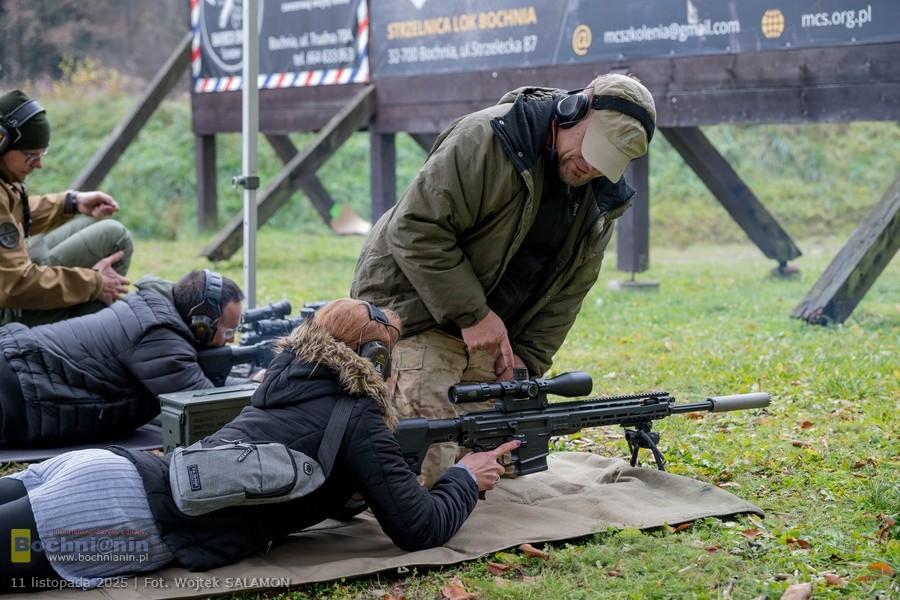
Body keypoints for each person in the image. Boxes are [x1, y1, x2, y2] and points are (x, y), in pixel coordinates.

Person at [0, 298, 519, 590]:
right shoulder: (358, 414)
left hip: (101, 473)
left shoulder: (282, 383)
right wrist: (465, 478)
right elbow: (420, 527)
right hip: (114, 519)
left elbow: (299, 466)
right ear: (374, 365)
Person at [351, 73, 657, 485]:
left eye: (606, 162)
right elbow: (416, 228)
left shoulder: (600, 201)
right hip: (416, 311)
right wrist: (473, 314)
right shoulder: (486, 138)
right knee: (428, 470)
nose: (590, 167)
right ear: (573, 110)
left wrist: (525, 361)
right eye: (590, 147)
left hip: (492, 333)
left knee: (500, 465)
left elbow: (566, 296)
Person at [0, 269, 262, 448]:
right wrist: (255, 385)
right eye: (227, 331)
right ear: (200, 325)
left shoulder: (150, 311)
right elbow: (209, 412)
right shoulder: (158, 337)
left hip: (18, 364)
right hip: (19, 390)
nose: (230, 340)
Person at [0, 89, 133, 327]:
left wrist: (71, 203)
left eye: (42, 154)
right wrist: (95, 283)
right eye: (31, 156)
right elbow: (15, 284)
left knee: (91, 224)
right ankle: (80, 351)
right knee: (114, 237)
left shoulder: (4, 178)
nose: (38, 164)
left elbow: (15, 213)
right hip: (7, 315)